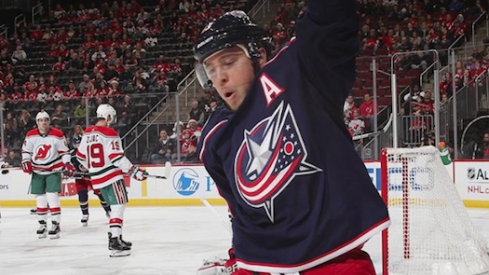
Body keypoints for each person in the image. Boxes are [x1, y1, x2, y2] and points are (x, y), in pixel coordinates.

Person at [194, 6, 389, 275]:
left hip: (333, 258)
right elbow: (240, 210)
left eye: (228, 62)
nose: (220, 78)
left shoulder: (300, 73)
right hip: (259, 263)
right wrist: (237, 257)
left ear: (258, 55)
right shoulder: (214, 137)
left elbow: (330, 20)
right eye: (210, 69)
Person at [76, 104, 147, 257]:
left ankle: (116, 237)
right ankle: (114, 241)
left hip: (97, 178)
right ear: (108, 116)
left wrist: (93, 168)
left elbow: (80, 157)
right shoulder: (110, 132)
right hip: (111, 176)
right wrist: (134, 171)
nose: (112, 121)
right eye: (111, 118)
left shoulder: (87, 133)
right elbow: (117, 157)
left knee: (114, 207)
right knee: (118, 206)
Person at [21, 111, 75, 239]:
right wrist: (26, 161)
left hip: (53, 170)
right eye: (41, 120)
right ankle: (42, 223)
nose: (43, 122)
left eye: (46, 120)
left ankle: (55, 224)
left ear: (49, 121)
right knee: (40, 198)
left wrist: (67, 163)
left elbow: (65, 152)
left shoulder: (57, 134)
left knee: (52, 196)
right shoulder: (30, 135)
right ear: (37, 122)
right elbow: (26, 151)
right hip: (37, 171)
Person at [71, 134, 111, 226]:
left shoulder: (91, 152)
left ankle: (108, 211)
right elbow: (69, 166)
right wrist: (73, 172)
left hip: (93, 177)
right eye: (77, 143)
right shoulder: (72, 155)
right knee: (82, 194)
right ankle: (85, 214)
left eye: (80, 143)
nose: (79, 145)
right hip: (81, 179)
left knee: (101, 194)